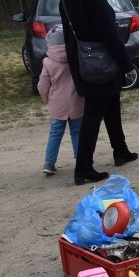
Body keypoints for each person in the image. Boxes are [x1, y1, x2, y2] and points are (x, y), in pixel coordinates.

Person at [59, 0, 138, 185]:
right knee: (94, 113)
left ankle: (120, 150)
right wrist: (127, 64)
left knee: (111, 105)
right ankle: (83, 167)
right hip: (100, 62)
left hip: (83, 61)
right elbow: (109, 32)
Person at [37, 26, 83, 175]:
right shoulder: (75, 58)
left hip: (57, 104)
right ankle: (80, 160)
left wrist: (45, 99)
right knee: (77, 132)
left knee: (55, 133)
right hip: (76, 101)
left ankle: (49, 163)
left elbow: (43, 85)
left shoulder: (48, 62)